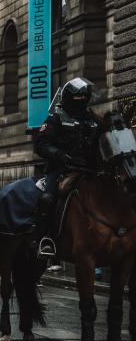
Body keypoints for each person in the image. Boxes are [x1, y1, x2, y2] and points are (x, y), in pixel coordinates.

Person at [32, 77, 101, 257]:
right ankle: (44, 239)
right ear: (70, 98)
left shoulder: (94, 119)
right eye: (77, 97)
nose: (81, 99)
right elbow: (41, 144)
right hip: (62, 169)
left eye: (83, 97)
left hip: (90, 170)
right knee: (48, 199)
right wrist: (59, 154)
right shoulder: (56, 118)